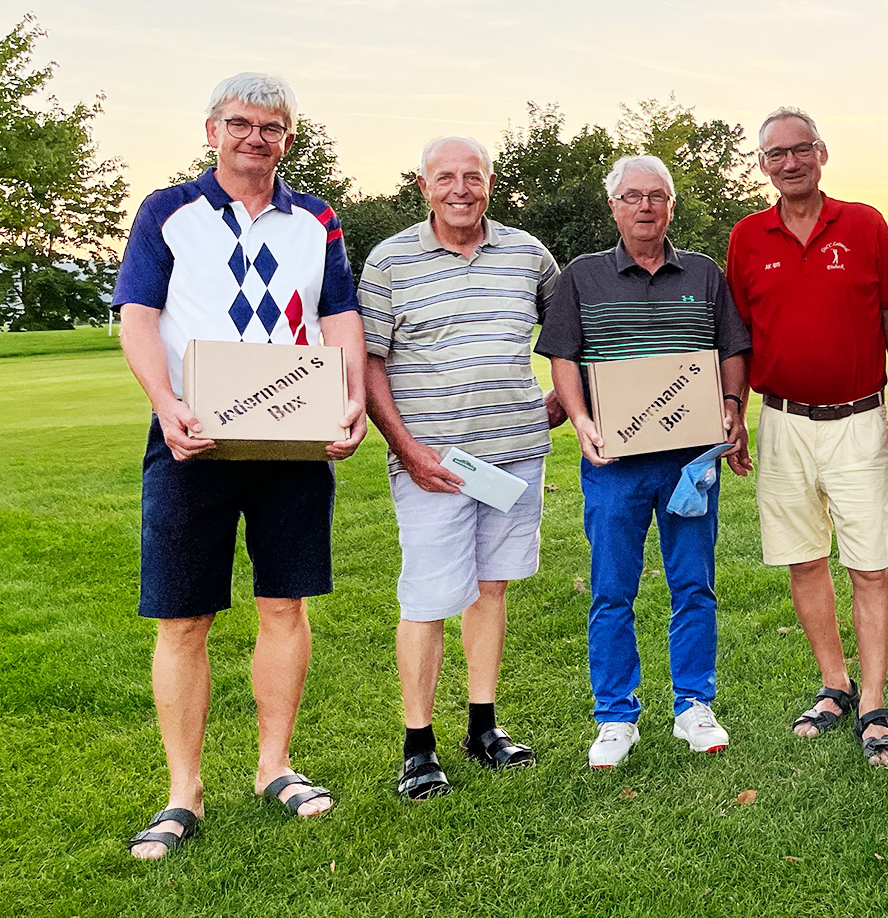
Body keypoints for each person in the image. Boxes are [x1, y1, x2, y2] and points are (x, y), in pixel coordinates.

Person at [112, 72, 367, 858]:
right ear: (212, 130)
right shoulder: (167, 212)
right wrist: (164, 401)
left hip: (293, 439)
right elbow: (139, 316)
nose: (255, 137)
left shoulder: (317, 218)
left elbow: (339, 316)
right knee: (183, 616)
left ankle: (274, 767)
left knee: (285, 606)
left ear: (289, 138)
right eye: (240, 123)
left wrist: (349, 399)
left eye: (272, 126)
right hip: (194, 439)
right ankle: (182, 793)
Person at [359, 136, 562, 798]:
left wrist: (559, 407)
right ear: (423, 186)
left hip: (512, 458)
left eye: (472, 176)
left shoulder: (528, 255)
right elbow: (370, 363)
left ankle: (483, 727)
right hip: (434, 466)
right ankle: (418, 747)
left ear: (491, 182)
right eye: (445, 177)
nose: (460, 188)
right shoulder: (390, 262)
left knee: (491, 590)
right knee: (426, 601)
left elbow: (569, 338)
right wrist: (406, 450)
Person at [538, 155, 751, 769]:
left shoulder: (705, 274)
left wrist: (733, 406)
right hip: (615, 462)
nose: (645, 206)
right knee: (611, 589)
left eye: (656, 195)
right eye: (632, 196)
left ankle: (693, 705)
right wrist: (579, 420)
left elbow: (732, 347)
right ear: (613, 206)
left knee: (694, 584)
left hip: (689, 461)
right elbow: (564, 359)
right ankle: (615, 715)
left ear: (671, 206)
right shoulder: (583, 276)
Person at [725, 107, 888, 767]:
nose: (790, 163)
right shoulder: (747, 237)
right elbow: (738, 336)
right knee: (804, 560)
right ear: (764, 164)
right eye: (776, 154)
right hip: (782, 422)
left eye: (801, 150)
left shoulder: (863, 224)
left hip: (858, 419)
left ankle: (874, 703)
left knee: (869, 565)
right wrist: (733, 409)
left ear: (821, 153)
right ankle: (835, 683)